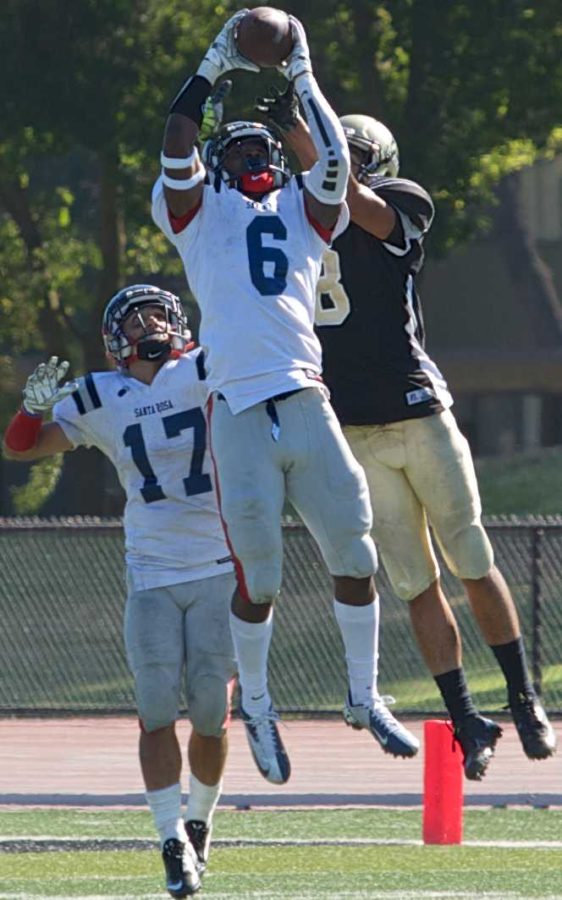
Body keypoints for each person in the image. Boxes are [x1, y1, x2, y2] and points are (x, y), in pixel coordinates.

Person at [256, 85, 557, 780]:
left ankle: (523, 696)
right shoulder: (297, 215)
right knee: (416, 583)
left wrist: (303, 130)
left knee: (471, 556)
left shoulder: (402, 200)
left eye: (350, 152)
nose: (337, 162)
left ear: (376, 160)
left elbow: (360, 203)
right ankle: (466, 720)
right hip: (354, 430)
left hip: (419, 411)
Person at [151, 11, 420, 783]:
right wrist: (212, 63)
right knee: (259, 579)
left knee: (357, 554)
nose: (252, 156)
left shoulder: (305, 213)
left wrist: (301, 73)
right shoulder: (197, 217)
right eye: (235, 149)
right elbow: (175, 138)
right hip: (236, 408)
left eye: (259, 146)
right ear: (217, 164)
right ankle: (260, 705)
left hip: (306, 398)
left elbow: (336, 158)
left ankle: (363, 697)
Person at [3, 285, 239, 898]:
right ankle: (169, 840)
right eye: (136, 318)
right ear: (115, 339)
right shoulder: (102, 395)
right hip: (153, 572)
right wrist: (29, 410)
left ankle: (200, 823)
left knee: (211, 715)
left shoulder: (208, 366)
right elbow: (21, 447)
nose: (151, 325)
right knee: (158, 708)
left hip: (218, 564)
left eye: (159, 313)